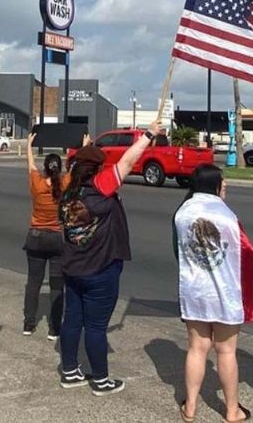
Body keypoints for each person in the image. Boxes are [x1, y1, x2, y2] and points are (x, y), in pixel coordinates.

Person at [56, 121, 161, 396]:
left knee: (72, 320)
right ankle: (100, 379)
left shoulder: (68, 191)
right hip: (99, 270)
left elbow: (84, 165)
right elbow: (128, 161)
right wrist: (148, 135)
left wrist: (87, 148)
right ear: (97, 169)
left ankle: (69, 370)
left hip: (72, 267)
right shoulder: (100, 187)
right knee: (96, 326)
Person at [174, 164, 253, 423]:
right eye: (223, 181)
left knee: (196, 348)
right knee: (226, 351)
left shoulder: (181, 213)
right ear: (215, 184)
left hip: (194, 289)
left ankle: (190, 406)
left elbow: (178, 252)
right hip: (224, 292)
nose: (226, 185)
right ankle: (232, 410)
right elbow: (248, 255)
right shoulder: (227, 216)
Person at [22, 133, 69, 339]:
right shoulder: (65, 183)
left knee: (33, 282)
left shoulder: (37, 183)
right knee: (57, 284)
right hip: (57, 238)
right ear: (60, 168)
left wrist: (29, 146)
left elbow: (30, 164)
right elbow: (75, 167)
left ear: (46, 168)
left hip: (36, 236)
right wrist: (84, 145)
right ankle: (54, 328)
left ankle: (29, 324)